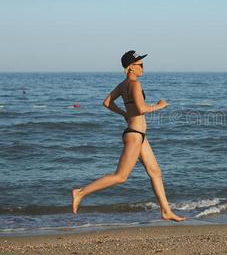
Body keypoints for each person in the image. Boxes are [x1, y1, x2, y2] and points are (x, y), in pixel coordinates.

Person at [71, 50, 186, 222]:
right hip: (134, 135)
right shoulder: (135, 84)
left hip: (139, 135)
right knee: (121, 176)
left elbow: (107, 103)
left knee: (155, 172)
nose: (143, 68)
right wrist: (159, 106)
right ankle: (80, 192)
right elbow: (141, 109)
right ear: (131, 67)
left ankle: (166, 211)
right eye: (140, 65)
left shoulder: (123, 84)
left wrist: (124, 113)